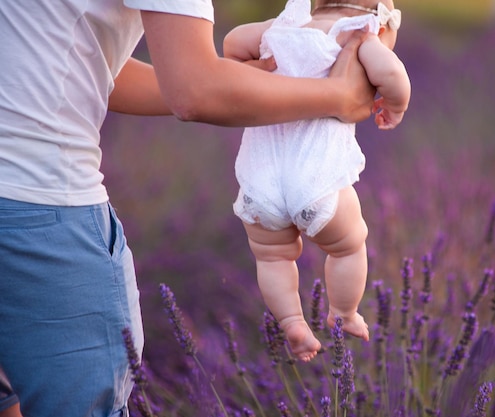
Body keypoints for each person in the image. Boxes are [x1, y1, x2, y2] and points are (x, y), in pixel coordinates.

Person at [0, 0, 376, 416]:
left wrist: (238, 79)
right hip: (41, 202)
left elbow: (77, 64)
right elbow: (195, 93)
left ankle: (295, 319)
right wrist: (338, 96)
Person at [224, 0, 411, 362]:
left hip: (259, 183)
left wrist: (254, 59)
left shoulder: (280, 29)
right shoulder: (358, 36)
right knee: (348, 246)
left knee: (272, 257)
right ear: (379, 18)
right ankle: (343, 312)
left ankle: (292, 320)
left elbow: (232, 42)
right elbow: (393, 76)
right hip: (317, 182)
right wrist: (396, 106)